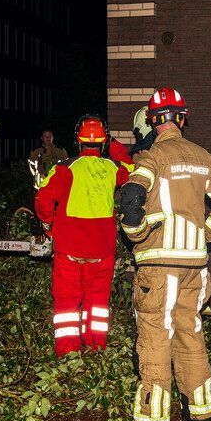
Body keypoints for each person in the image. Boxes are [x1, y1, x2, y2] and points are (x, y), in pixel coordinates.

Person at [119, 87, 211, 421]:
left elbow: (130, 200)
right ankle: (201, 414)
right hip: (195, 268)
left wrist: (138, 236)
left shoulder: (150, 158)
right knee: (190, 335)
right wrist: (206, 233)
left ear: (152, 121)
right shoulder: (203, 157)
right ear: (182, 118)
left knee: (156, 339)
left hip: (158, 268)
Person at [35, 116, 130, 357]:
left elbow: (43, 200)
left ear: (78, 140)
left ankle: (68, 355)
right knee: (97, 304)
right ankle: (96, 348)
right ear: (103, 141)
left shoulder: (65, 168)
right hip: (102, 251)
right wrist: (116, 146)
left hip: (69, 250)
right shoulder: (113, 168)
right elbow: (133, 171)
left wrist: (48, 227)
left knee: (67, 304)